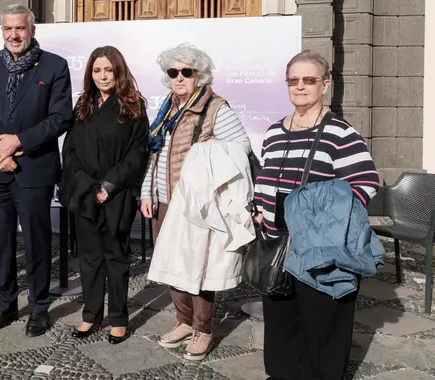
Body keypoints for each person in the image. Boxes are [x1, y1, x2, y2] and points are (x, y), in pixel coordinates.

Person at [253, 50, 379, 379]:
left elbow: (365, 184)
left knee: (323, 330)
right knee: (281, 325)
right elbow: (264, 178)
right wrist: (258, 207)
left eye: (309, 80)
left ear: (325, 84)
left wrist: (323, 220)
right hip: (278, 246)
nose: (300, 86)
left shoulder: (340, 134)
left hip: (320, 252)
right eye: (293, 80)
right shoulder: (274, 132)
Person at [139, 43, 251, 359]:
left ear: (199, 75)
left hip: (195, 206)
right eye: (173, 72)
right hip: (164, 200)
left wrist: (202, 154)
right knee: (172, 267)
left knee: (199, 271)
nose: (179, 78)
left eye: (186, 72)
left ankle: (203, 328)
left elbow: (242, 148)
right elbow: (155, 156)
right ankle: (184, 322)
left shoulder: (216, 108)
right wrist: (147, 192)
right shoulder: (168, 108)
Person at [0, 4, 73, 337]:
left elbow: (60, 118)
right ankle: (5, 304)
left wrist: (17, 142)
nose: (14, 35)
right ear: (2, 31)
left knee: (36, 242)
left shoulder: (55, 66)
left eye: (20, 28)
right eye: (7, 29)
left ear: (32, 30)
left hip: (35, 170)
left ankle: (39, 308)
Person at [59, 46, 149, 344]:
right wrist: (87, 185)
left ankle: (119, 318)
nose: (102, 76)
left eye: (108, 70)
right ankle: (91, 315)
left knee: (116, 257)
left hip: (116, 195)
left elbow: (138, 153)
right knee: (89, 258)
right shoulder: (84, 105)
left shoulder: (133, 106)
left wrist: (108, 185)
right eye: (97, 70)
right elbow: (70, 150)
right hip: (85, 194)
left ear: (118, 71)